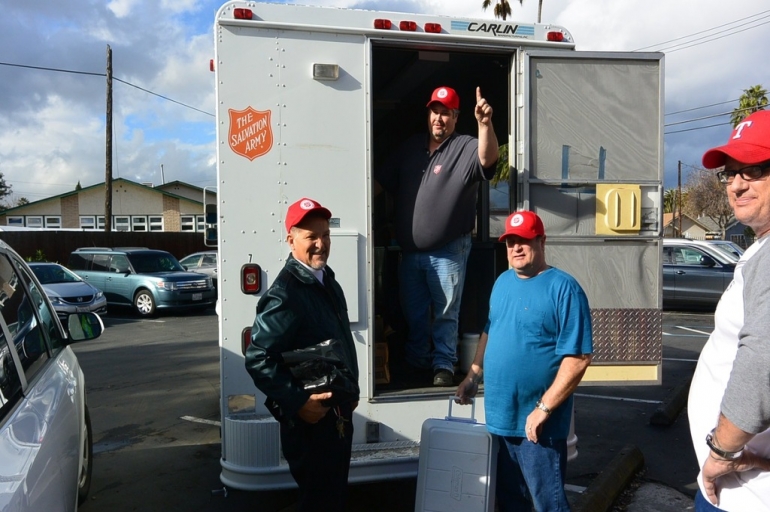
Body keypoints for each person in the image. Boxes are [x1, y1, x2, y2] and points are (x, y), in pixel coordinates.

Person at [456, 210, 593, 511]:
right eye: (511, 242)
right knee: (509, 503)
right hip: (500, 419)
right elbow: (490, 331)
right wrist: (473, 375)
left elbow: (579, 359)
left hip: (539, 428)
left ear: (542, 241)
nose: (516, 248)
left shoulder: (564, 288)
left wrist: (543, 409)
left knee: (549, 505)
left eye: (525, 241)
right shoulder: (502, 282)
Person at [376, 85, 499, 386]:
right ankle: (418, 361)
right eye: (435, 111)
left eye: (446, 113)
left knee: (445, 313)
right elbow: (378, 184)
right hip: (411, 253)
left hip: (448, 250)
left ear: (456, 118)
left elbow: (488, 159)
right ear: (428, 114)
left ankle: (444, 365)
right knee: (414, 313)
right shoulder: (410, 148)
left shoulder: (466, 147)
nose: (439, 118)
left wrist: (485, 124)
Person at [244, 197, 360, 512]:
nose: (321, 244)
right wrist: (298, 402)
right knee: (319, 501)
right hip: (312, 425)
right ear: (291, 239)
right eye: (311, 237)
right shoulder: (287, 293)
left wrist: (350, 390)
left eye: (325, 235)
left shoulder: (326, 281)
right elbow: (258, 358)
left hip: (335, 416)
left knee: (330, 498)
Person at [687, 109, 770, 511]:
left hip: (743, 493)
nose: (736, 185)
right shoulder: (760, 249)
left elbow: (764, 358)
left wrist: (721, 452)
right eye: (730, 173)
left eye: (752, 170)